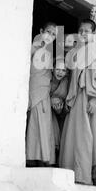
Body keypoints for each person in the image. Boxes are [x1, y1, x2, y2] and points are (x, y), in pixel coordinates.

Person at [59, 19, 96, 185]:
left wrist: (95, 100)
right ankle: (71, 172)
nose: (83, 33)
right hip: (75, 97)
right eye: (81, 30)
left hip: (89, 97)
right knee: (73, 134)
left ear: (93, 34)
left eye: (87, 31)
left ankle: (86, 174)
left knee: (87, 136)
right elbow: (68, 77)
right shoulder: (73, 53)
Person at [26, 22, 57, 167]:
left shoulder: (49, 54)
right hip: (34, 88)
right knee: (33, 123)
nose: (50, 36)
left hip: (45, 91)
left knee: (44, 124)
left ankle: (44, 157)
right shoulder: (32, 47)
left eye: (53, 34)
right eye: (48, 31)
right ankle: (31, 157)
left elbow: (49, 74)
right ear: (41, 30)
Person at [50, 57, 69, 163]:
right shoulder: (46, 80)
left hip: (60, 116)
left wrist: (59, 111)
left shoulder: (66, 84)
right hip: (45, 112)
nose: (60, 73)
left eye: (63, 70)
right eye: (57, 69)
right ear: (52, 69)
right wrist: (50, 101)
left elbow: (66, 109)